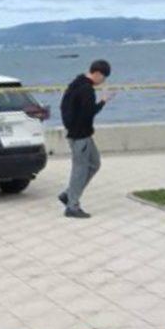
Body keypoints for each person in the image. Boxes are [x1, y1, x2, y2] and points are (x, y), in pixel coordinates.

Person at [58, 60, 113, 219]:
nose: (103, 81)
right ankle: (72, 206)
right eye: (103, 78)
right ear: (97, 73)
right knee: (80, 170)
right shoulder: (87, 90)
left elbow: (64, 107)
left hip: (79, 133)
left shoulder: (75, 84)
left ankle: (68, 194)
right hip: (80, 135)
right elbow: (89, 113)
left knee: (94, 164)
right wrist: (103, 101)